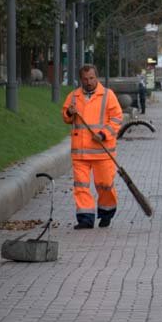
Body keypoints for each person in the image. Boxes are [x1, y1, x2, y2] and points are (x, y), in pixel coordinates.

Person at [63, 64, 123, 229]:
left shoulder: (107, 95)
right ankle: (85, 219)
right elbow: (65, 117)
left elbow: (117, 118)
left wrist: (103, 135)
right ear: (80, 80)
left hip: (102, 152)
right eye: (85, 79)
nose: (88, 82)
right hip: (80, 152)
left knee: (105, 185)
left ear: (97, 77)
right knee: (81, 186)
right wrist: (70, 112)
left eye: (91, 78)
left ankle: (106, 213)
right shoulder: (74, 96)